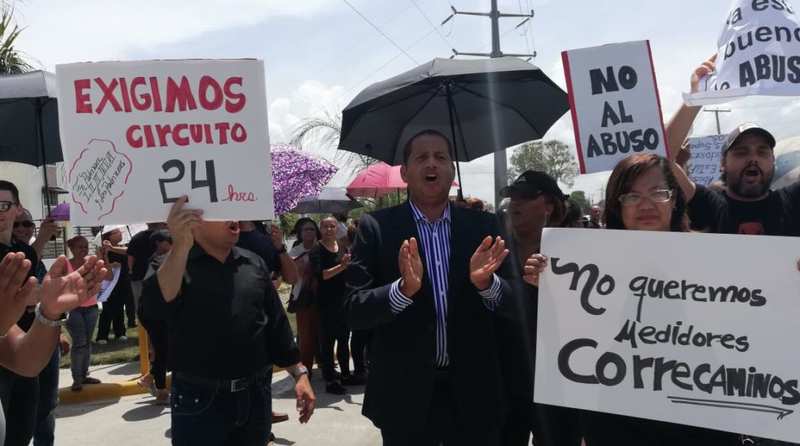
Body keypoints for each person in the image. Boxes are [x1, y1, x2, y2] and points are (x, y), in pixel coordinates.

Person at [524, 154, 739, 446]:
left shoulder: (717, 260)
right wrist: (546, 286)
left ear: (674, 200)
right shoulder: (585, 265)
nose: (646, 205)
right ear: (617, 204)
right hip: (617, 420)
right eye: (632, 196)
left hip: (699, 418)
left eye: (658, 193)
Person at [345, 129, 514, 445]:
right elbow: (354, 311)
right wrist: (401, 291)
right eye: (421, 157)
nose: (431, 164)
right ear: (405, 173)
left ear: (452, 171)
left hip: (475, 395)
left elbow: (517, 305)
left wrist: (487, 283)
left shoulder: (485, 227)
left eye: (440, 156)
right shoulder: (376, 228)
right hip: (403, 397)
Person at [141, 196, 315, 445]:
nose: (234, 217)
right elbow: (153, 309)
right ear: (196, 221)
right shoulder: (172, 265)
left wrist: (299, 373)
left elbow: (276, 325)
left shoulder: (252, 262)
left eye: (235, 209)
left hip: (255, 397)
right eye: (223, 210)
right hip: (199, 400)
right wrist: (180, 245)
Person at [0, 180, 107, 446]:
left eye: (3, 205)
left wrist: (50, 312)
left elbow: (25, 360)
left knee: (31, 420)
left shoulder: (21, 254)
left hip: (29, 348)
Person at [666, 55, 800, 236]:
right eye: (741, 152)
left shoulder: (792, 201)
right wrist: (695, 99)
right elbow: (662, 157)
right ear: (723, 163)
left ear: (773, 161)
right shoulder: (707, 204)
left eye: (762, 152)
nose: (753, 158)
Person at [496, 171, 582, 446]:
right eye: (512, 197)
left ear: (549, 206)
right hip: (504, 385)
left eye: (525, 197)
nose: (514, 204)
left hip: (558, 386)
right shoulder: (492, 252)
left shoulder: (575, 254)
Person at [11, 208, 65, 446]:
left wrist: (60, 330)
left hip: (44, 335)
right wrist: (41, 239)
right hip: (16, 344)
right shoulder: (10, 254)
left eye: (27, 224)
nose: (22, 229)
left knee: (47, 404)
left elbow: (45, 298)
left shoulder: (34, 253)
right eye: (17, 224)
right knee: (20, 410)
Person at [311, 216, 353, 394]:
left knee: (344, 341)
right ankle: (330, 380)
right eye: (326, 226)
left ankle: (345, 374)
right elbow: (322, 275)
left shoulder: (342, 247)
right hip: (326, 303)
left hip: (343, 301)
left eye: (332, 226)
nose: (329, 229)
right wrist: (342, 267)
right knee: (327, 343)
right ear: (321, 229)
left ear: (337, 229)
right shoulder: (316, 249)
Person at [136, 230, 172, 404]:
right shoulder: (158, 260)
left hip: (158, 311)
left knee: (165, 349)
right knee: (163, 349)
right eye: (166, 242)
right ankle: (161, 390)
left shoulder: (160, 259)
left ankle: (150, 378)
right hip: (154, 313)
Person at [65, 236, 103, 392]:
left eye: (86, 246)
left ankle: (84, 374)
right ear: (72, 249)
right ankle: (77, 378)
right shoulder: (65, 264)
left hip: (91, 307)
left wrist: (103, 258)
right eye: (80, 247)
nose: (84, 250)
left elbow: (108, 277)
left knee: (87, 342)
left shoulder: (92, 263)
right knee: (79, 342)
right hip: (73, 308)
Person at [288, 218, 322, 378]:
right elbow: (291, 276)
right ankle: (305, 370)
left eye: (312, 229)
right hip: (304, 298)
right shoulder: (295, 251)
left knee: (322, 333)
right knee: (306, 336)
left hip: (322, 297)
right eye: (306, 230)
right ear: (300, 233)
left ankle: (323, 363)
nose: (309, 232)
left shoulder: (322, 248)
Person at [96, 227, 133, 343]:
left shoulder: (122, 247)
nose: (120, 233)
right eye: (116, 232)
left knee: (119, 307)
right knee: (107, 308)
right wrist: (108, 261)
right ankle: (102, 335)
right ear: (109, 236)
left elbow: (130, 253)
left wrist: (112, 249)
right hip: (109, 283)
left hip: (123, 281)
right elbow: (100, 264)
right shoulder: (102, 249)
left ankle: (120, 332)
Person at [127, 222, 167, 328]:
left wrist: (130, 270)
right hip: (157, 275)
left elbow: (130, 256)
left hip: (138, 275)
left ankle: (143, 331)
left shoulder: (136, 237)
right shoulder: (163, 236)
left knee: (140, 304)